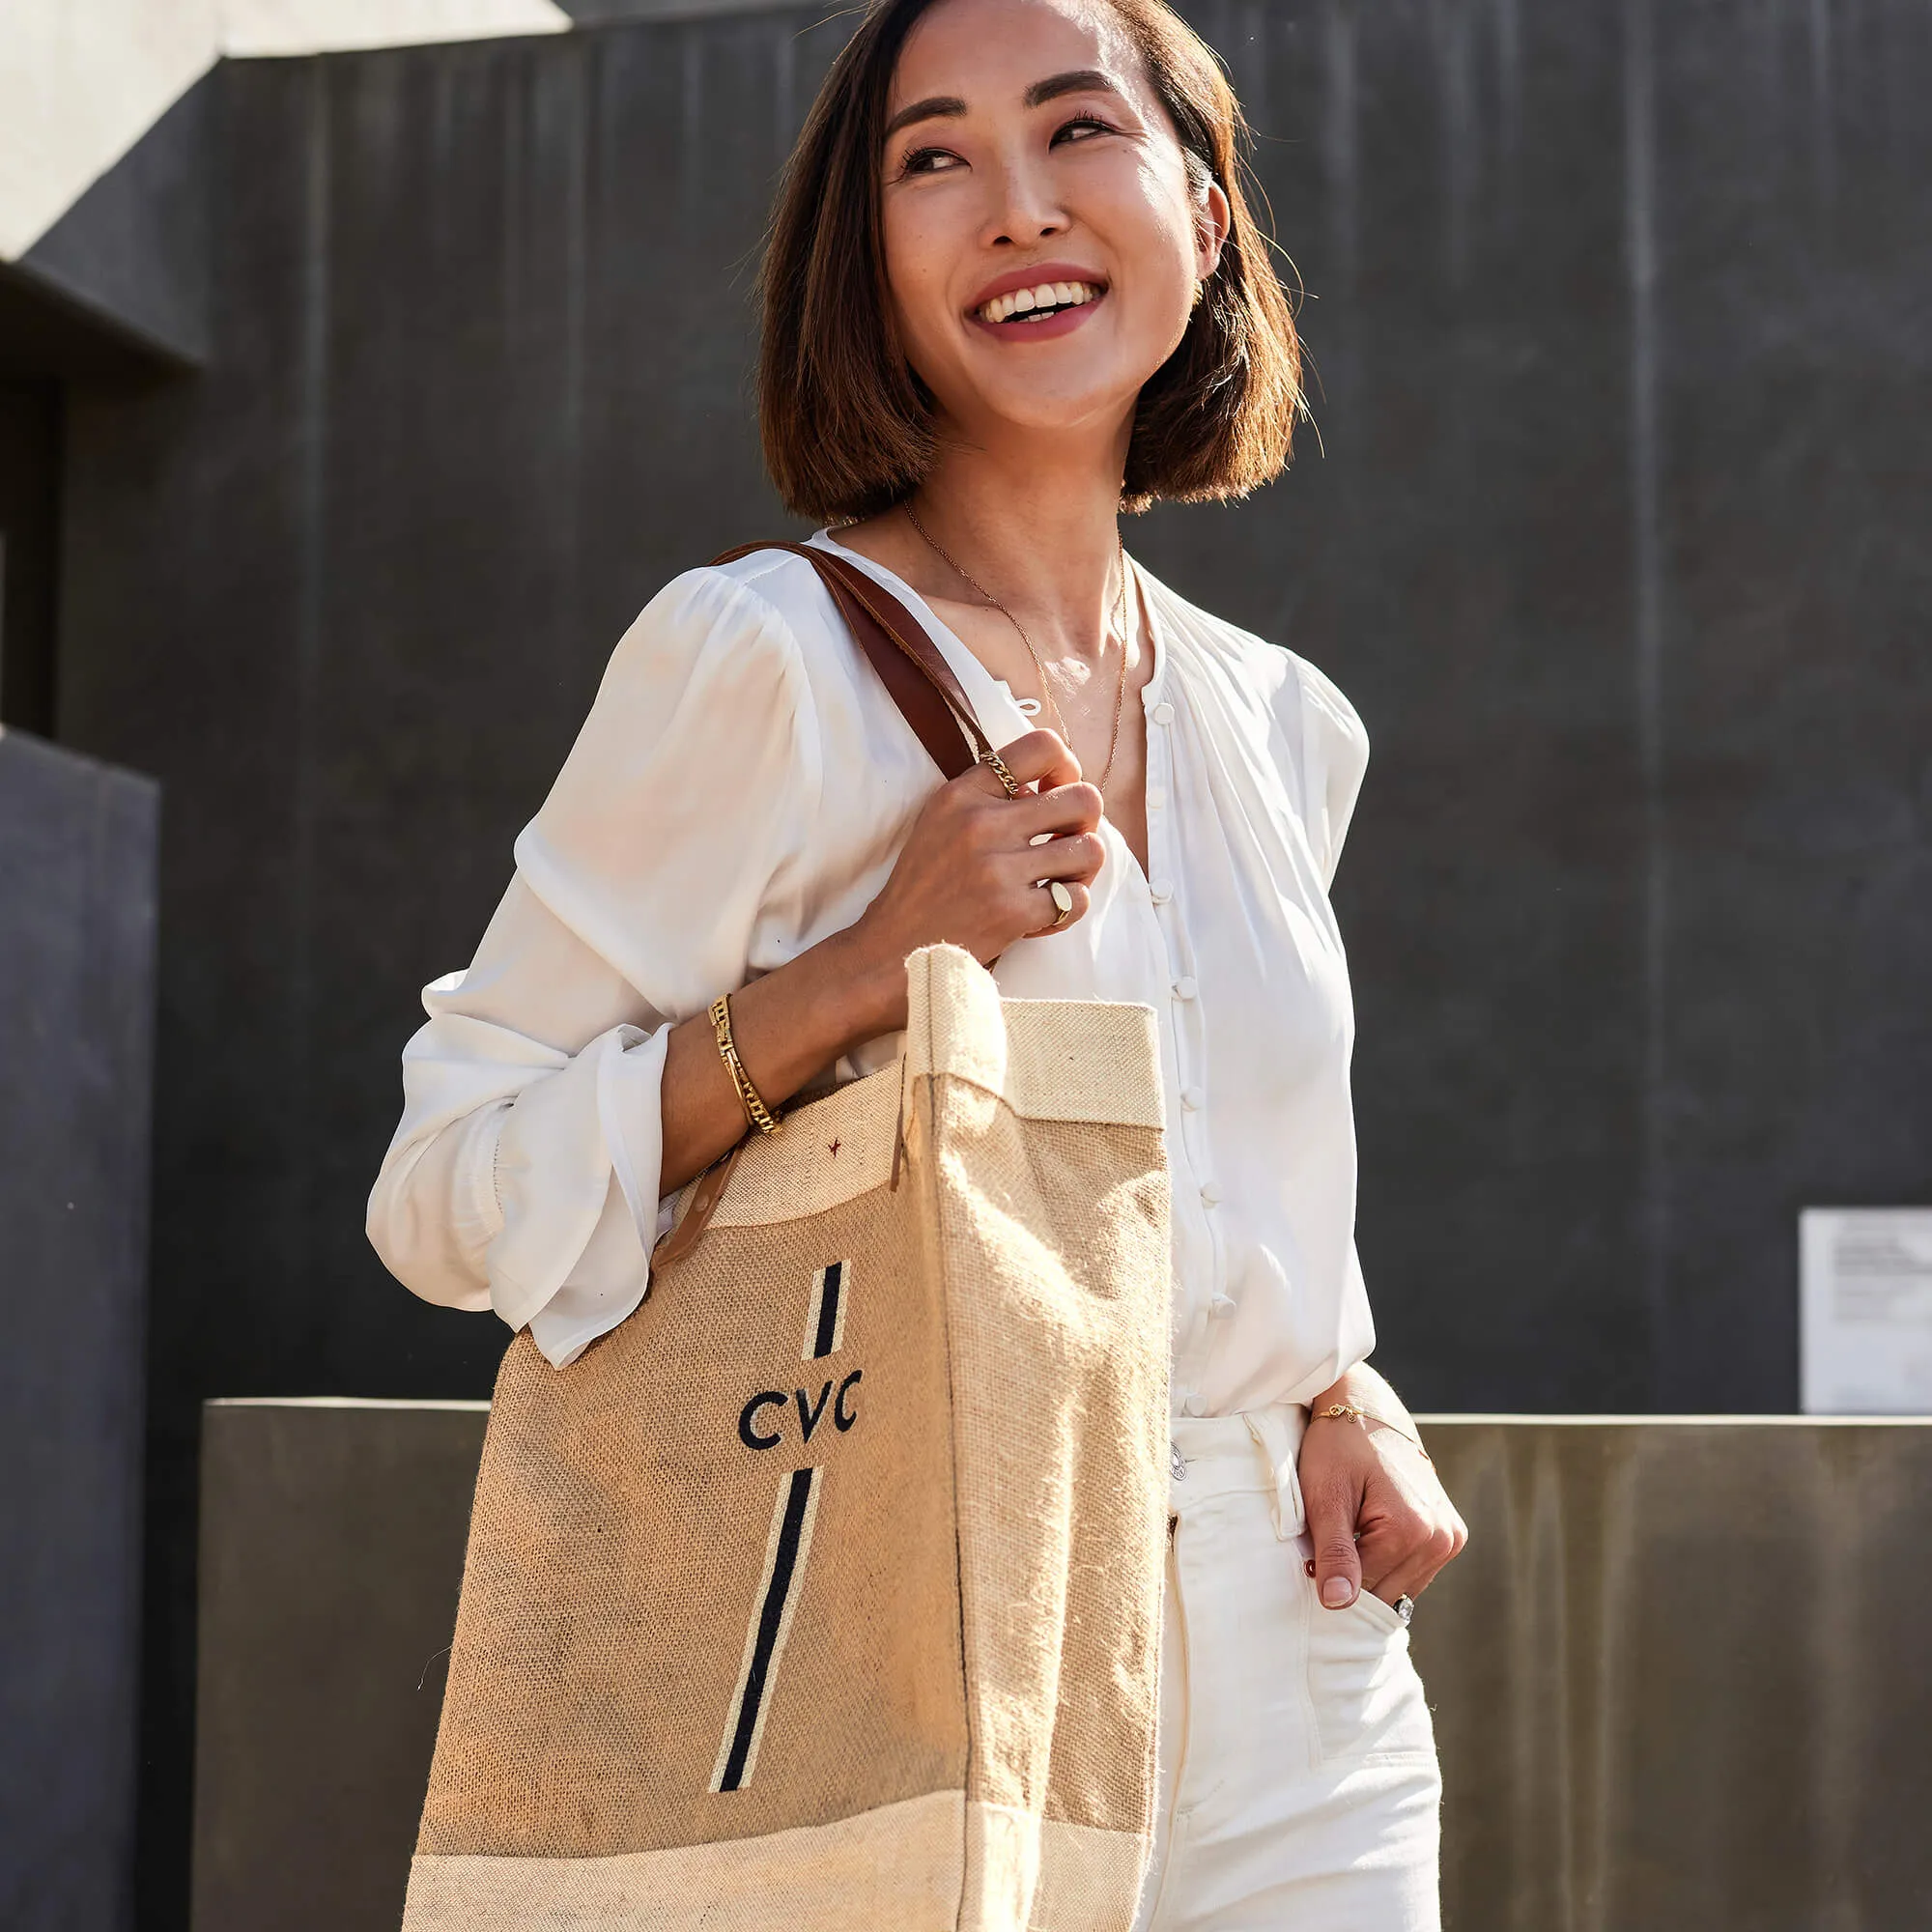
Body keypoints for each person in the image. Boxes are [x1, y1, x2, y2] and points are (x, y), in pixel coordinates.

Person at [369, 0, 1467, 1921]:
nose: (1018, 209)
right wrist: (866, 965)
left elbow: (1238, 1177)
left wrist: (1340, 1384)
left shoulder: (1286, 725)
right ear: (869, 269)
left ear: (1204, 216)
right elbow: (445, 1190)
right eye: (935, 160)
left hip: (1307, 1678)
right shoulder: (761, 658)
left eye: (1074, 135)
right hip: (930, 1637)